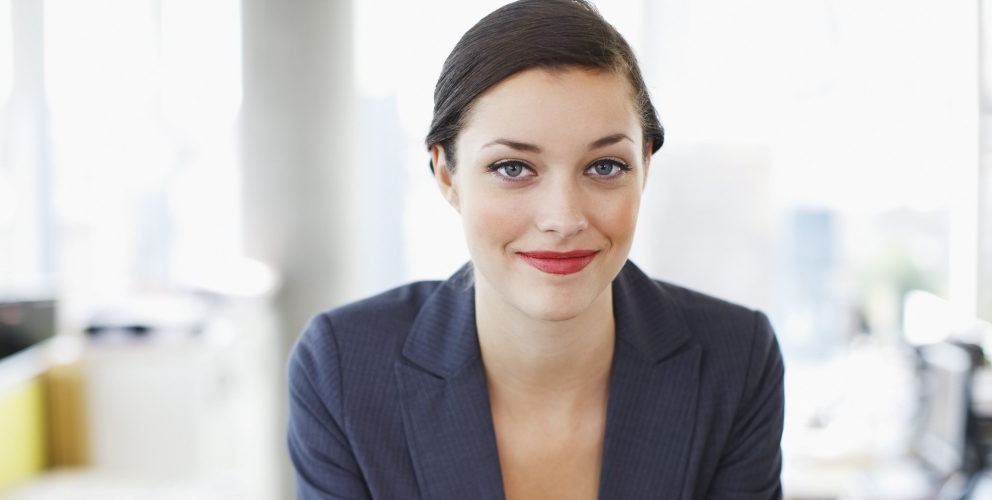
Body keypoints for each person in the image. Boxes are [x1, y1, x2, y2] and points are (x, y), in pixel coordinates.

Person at [286, 0, 785, 498]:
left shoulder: (736, 362)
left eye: (605, 167)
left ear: (645, 167)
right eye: (512, 168)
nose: (564, 220)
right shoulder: (342, 369)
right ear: (446, 174)